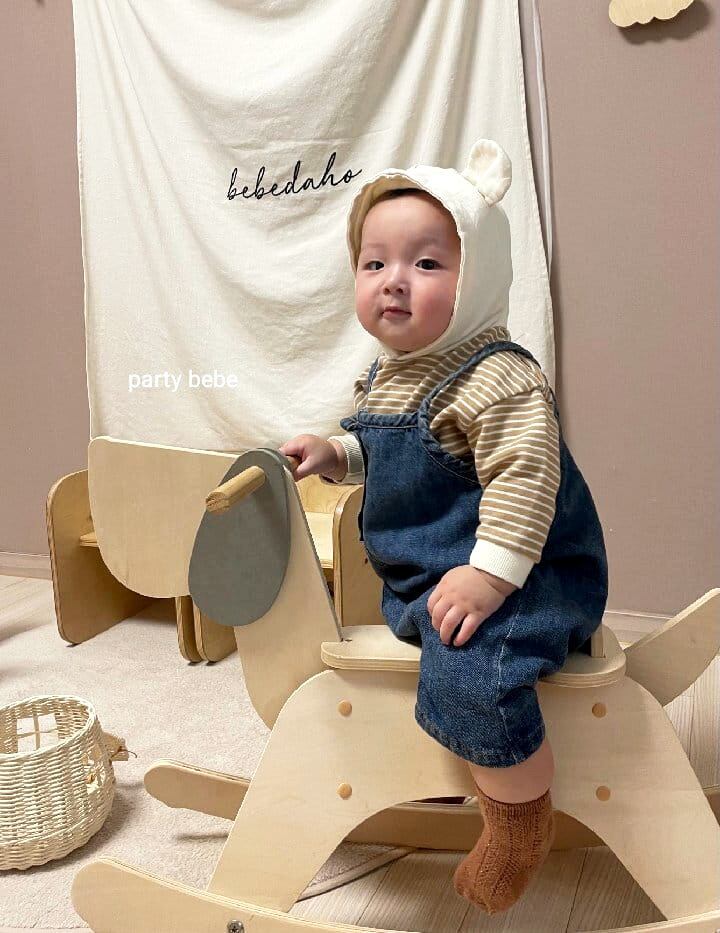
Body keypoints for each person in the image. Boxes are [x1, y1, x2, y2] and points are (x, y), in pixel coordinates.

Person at [279, 139, 608, 914]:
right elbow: (396, 455)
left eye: (426, 263)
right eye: (374, 262)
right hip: (435, 579)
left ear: (476, 278)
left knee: (473, 674)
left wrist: (490, 576)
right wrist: (337, 453)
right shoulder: (393, 373)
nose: (394, 279)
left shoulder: (498, 375)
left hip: (527, 578)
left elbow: (525, 479)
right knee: (415, 650)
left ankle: (521, 822)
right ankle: (445, 762)